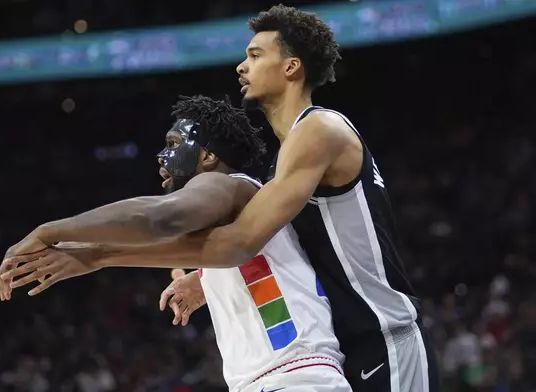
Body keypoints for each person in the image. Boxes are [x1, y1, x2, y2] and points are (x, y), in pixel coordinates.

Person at [165, 5, 441, 392]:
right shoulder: (286, 160)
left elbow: (242, 240)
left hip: (384, 337)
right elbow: (284, 250)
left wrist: (99, 255)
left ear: (291, 67)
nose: (241, 67)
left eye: (255, 55)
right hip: (345, 350)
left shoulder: (319, 129)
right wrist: (205, 278)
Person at [0, 95, 352, 392]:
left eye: (173, 144)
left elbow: (160, 219)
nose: (161, 156)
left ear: (208, 157)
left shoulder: (223, 184)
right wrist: (203, 279)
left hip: (294, 379)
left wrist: (54, 231)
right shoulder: (242, 215)